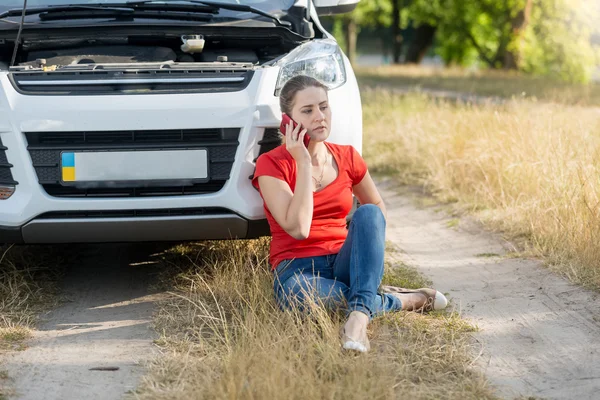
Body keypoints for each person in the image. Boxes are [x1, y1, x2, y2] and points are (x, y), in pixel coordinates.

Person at [252, 75, 448, 353]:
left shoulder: (347, 157)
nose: (319, 116)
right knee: (309, 296)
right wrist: (304, 164)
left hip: (346, 261)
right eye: (307, 111)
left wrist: (361, 243)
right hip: (298, 271)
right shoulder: (271, 164)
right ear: (288, 121)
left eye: (324, 107)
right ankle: (395, 300)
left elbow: (377, 209)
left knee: (368, 213)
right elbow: (298, 229)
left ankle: (357, 318)